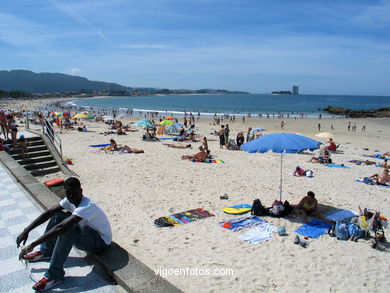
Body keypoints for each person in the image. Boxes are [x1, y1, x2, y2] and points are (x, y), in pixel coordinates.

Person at [17, 177, 112, 291]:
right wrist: (26, 230)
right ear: (65, 191)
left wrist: (32, 244)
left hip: (100, 243)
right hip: (87, 234)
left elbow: (61, 228)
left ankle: (54, 275)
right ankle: (47, 251)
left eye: (74, 193)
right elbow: (50, 212)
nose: (71, 196)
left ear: (81, 191)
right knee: (57, 215)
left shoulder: (86, 206)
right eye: (68, 193)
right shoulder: (69, 199)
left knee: (67, 229)